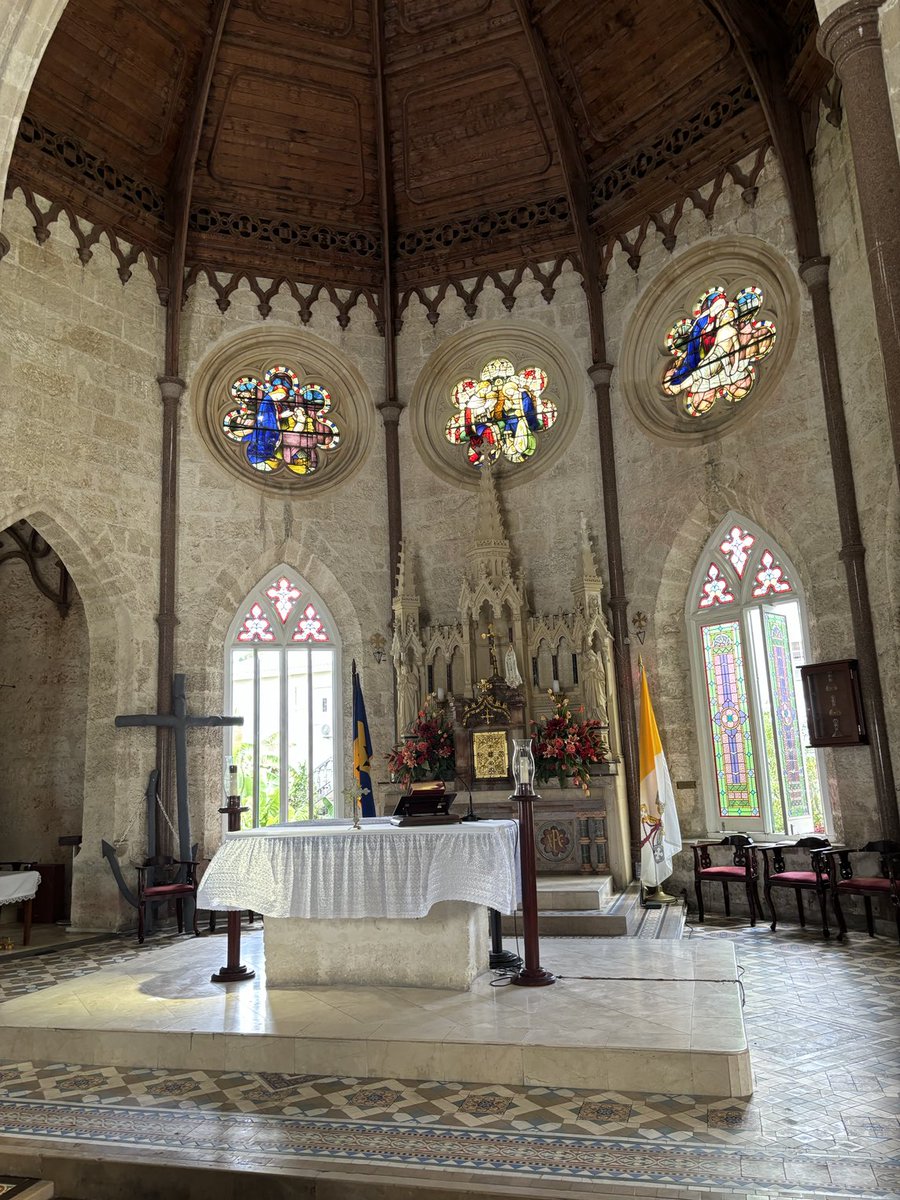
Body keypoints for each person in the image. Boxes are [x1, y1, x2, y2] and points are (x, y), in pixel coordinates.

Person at [582, 644, 608, 725]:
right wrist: (588, 673)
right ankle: (593, 719)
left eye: (591, 656)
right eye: (588, 656)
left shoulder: (598, 663)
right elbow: (583, 676)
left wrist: (594, 673)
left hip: (597, 687)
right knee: (590, 702)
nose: (590, 658)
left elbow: (602, 675)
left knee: (600, 701)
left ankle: (602, 718)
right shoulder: (586, 665)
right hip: (590, 686)